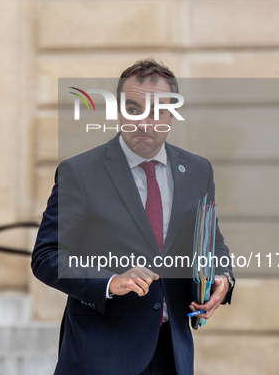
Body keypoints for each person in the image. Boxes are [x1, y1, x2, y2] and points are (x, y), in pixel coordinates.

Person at [31, 58, 235, 375]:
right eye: (134, 108)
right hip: (100, 354)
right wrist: (111, 281)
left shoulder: (198, 170)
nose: (144, 122)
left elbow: (212, 242)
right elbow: (47, 257)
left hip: (173, 353)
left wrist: (223, 276)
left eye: (156, 111)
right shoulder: (80, 172)